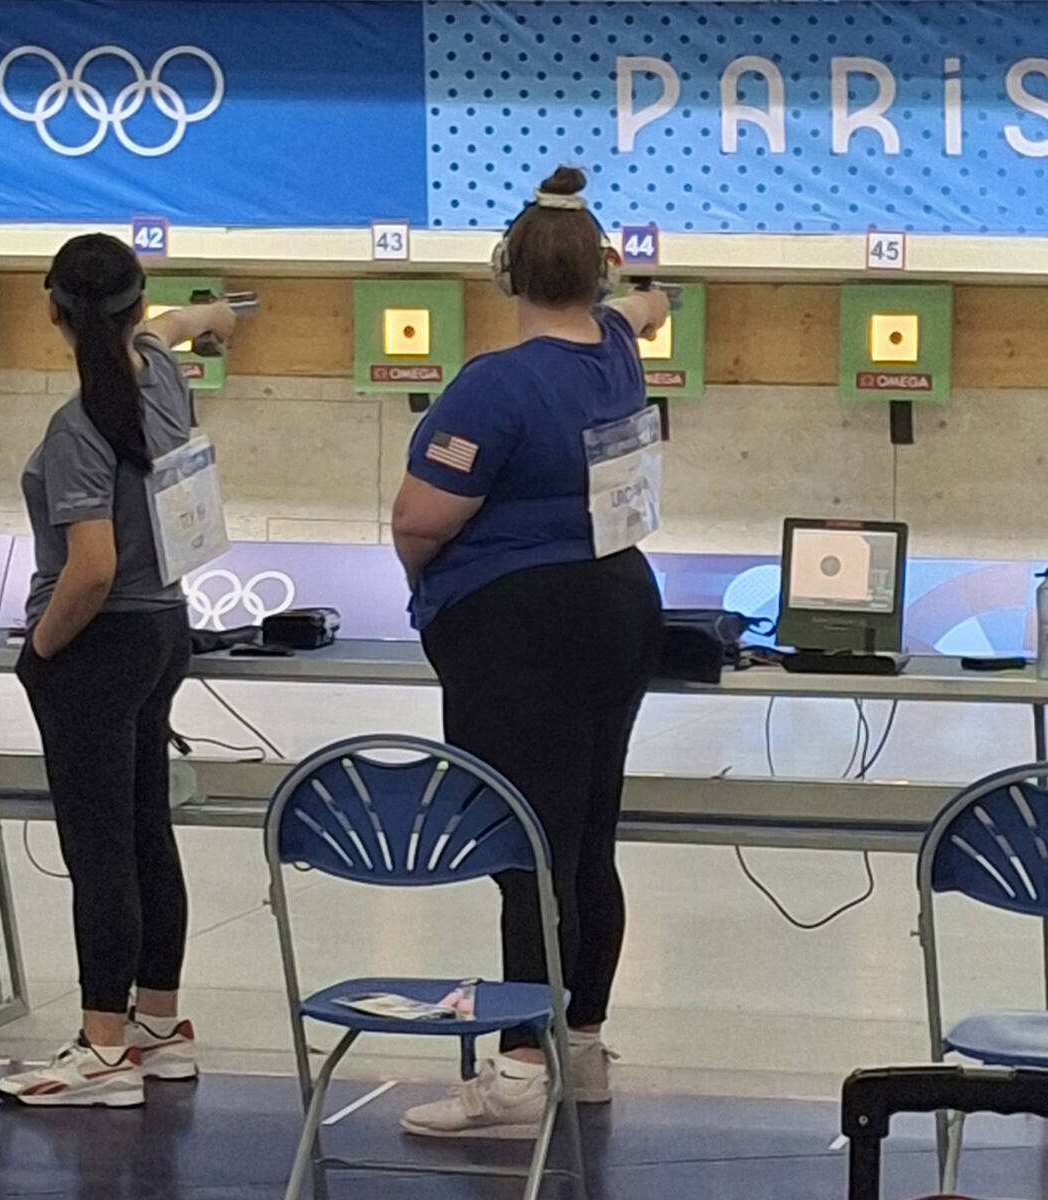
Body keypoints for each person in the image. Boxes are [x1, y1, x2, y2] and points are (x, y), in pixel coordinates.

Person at [391, 166, 669, 1138]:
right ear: (595, 273)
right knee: (587, 834)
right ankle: (579, 1045)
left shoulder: (493, 385)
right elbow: (639, 304)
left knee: (524, 847)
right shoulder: (616, 350)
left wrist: (427, 590)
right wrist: (637, 283)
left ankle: (516, 1071)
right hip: (619, 606)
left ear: (504, 271)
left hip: (519, 624)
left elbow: (421, 518)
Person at [0, 234, 238, 1108]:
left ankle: (100, 1052)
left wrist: (44, 648)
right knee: (144, 833)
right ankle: (156, 1026)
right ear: (135, 310)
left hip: (99, 643)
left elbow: (88, 568)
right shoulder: (159, 373)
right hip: (165, 630)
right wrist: (220, 317)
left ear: (52, 308)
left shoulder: (77, 427)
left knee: (98, 851)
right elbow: (179, 325)